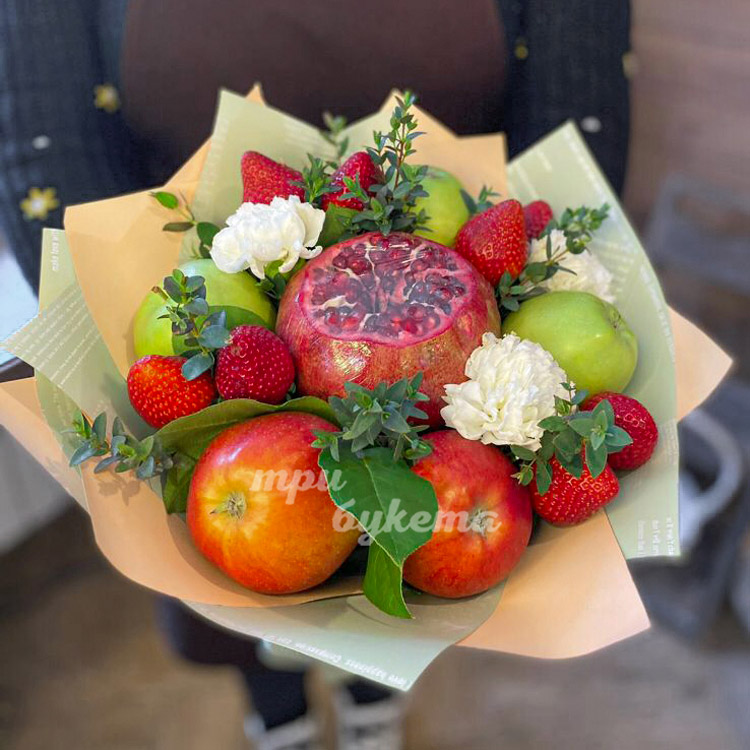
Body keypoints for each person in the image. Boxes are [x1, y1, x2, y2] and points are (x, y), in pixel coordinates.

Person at [0, 2, 632, 747]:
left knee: (409, 584)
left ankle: (373, 704)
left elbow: (577, 124)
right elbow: (43, 144)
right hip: (195, 315)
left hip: (465, 393)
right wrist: (102, 318)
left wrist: (543, 266)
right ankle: (277, 715)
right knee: (232, 576)